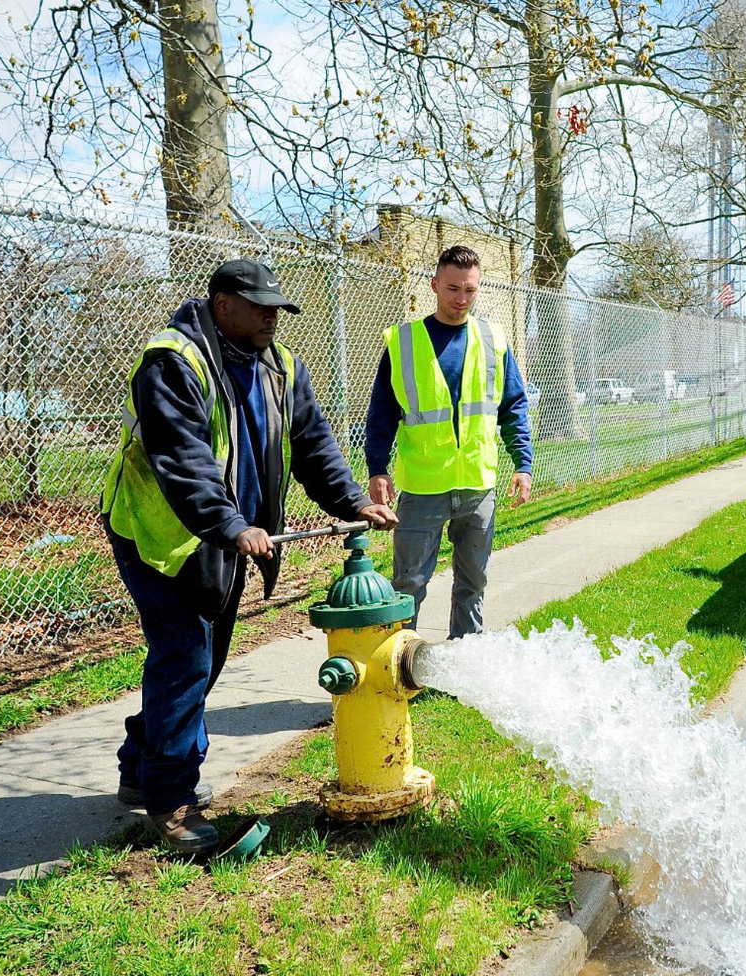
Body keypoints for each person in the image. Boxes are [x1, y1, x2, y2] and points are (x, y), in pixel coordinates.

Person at [100, 258, 397, 853]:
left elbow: (314, 443)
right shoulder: (172, 363)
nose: (271, 318)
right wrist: (231, 524)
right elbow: (183, 461)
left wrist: (352, 500)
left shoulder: (280, 365)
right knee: (184, 655)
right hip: (161, 535)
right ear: (221, 302)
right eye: (259, 307)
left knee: (203, 661)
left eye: (277, 309)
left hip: (228, 535)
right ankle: (172, 801)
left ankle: (142, 763)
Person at [364, 245, 533, 639]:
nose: (461, 299)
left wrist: (522, 464)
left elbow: (513, 406)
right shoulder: (403, 343)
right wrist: (376, 468)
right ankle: (401, 670)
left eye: (470, 290)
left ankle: (464, 663)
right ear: (435, 285)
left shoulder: (493, 339)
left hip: (477, 484)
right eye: (453, 288)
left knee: (473, 586)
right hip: (423, 487)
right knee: (408, 586)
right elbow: (382, 413)